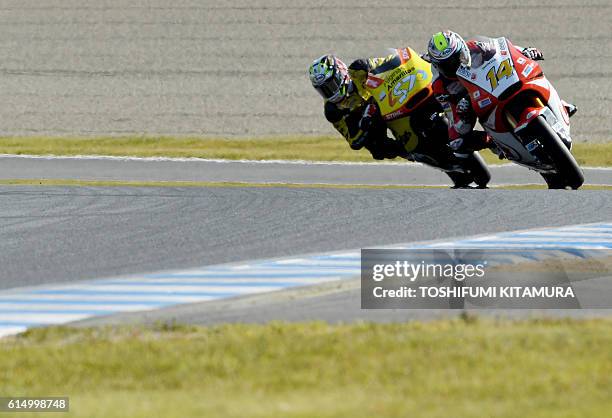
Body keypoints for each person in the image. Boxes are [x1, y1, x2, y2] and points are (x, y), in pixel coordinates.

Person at [424, 31, 577, 157]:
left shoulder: (476, 48)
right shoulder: (440, 86)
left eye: (457, 57)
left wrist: (524, 51)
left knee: (531, 72)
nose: (455, 64)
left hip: (494, 84)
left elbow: (503, 50)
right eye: (447, 63)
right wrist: (462, 114)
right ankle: (494, 141)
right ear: (437, 65)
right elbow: (455, 122)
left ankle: (558, 105)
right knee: (457, 143)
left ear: (462, 48)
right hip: (473, 104)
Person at [308, 54, 405, 160]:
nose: (330, 92)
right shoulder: (332, 110)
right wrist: (365, 122)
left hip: (390, 93)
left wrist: (414, 59)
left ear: (340, 72)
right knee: (377, 150)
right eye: (324, 90)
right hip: (372, 117)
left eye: (332, 85)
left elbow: (392, 61)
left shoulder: (359, 68)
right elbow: (353, 142)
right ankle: (409, 152)